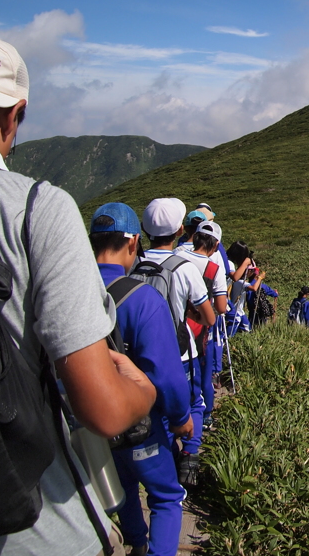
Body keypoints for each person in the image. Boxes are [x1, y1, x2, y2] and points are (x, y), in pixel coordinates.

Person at [0, 34, 155, 556]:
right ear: (14, 117)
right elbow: (103, 410)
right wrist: (143, 390)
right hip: (34, 531)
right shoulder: (34, 208)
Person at [90, 203, 193, 556]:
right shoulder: (142, 298)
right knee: (166, 496)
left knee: (121, 489)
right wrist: (181, 420)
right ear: (133, 242)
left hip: (87, 425)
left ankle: (135, 541)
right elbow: (166, 375)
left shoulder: (67, 292)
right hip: (139, 425)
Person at [139, 197, 216, 486]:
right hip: (181, 353)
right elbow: (209, 318)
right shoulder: (183, 268)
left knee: (152, 406)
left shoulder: (134, 264)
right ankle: (190, 455)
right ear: (181, 229)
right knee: (192, 402)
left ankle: (164, 455)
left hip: (140, 353)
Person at [174, 220, 228, 438]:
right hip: (198, 329)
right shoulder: (213, 268)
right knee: (201, 374)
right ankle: (203, 417)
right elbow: (221, 307)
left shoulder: (175, 257)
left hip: (173, 323)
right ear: (215, 246)